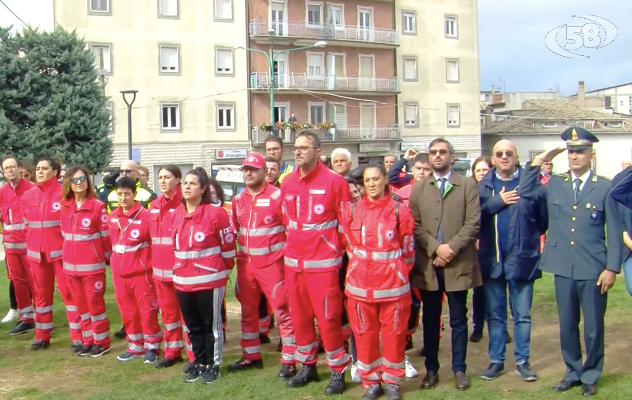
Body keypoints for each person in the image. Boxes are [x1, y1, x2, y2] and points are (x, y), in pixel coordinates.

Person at [518, 127, 622, 396]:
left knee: (593, 326)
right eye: (571, 151)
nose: (574, 156)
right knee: (567, 324)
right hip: (563, 265)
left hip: (593, 267)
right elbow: (526, 191)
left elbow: (614, 229)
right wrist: (540, 158)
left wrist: (612, 268)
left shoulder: (605, 187)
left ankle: (591, 373)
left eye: (580, 151)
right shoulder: (554, 184)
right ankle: (572, 371)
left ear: (591, 154)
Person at [281, 130, 352, 395]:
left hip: (323, 265)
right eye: (295, 147)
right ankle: (307, 365)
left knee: (329, 318)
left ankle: (337, 370)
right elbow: (286, 221)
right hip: (294, 265)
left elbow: (346, 225)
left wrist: (341, 257)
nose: (297, 151)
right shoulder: (287, 182)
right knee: (299, 317)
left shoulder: (335, 182)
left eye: (303, 147)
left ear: (318, 152)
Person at [408, 138, 482, 391]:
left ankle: (459, 369)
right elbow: (414, 225)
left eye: (442, 152)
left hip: (457, 262)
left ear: (452, 156)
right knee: (430, 319)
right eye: (433, 153)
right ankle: (431, 370)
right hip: (429, 266)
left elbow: (473, 222)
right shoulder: (419, 188)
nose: (437, 156)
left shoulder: (467, 185)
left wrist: (449, 248)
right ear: (429, 158)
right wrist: (435, 248)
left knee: (459, 319)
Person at [342, 164, 415, 400]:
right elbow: (349, 246)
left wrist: (396, 271)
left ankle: (392, 381)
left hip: (393, 287)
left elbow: (407, 250)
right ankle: (371, 381)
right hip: (360, 287)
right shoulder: (352, 210)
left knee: (394, 334)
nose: (371, 183)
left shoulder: (399, 211)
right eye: (367, 179)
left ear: (385, 180)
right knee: (364, 335)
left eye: (375, 178)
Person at [477, 140, 547, 381]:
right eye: (499, 153)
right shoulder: (484, 186)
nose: (504, 156)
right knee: (495, 315)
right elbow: (474, 218)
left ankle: (523, 360)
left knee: (522, 315)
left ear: (517, 157)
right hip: (492, 260)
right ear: (493, 159)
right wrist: (499, 202)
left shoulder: (529, 184)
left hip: (522, 259)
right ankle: (496, 360)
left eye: (509, 153)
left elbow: (542, 219)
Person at [227, 153, 296, 378]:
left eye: (253, 169)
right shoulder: (238, 200)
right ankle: (251, 355)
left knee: (283, 311)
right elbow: (235, 230)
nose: (248, 173)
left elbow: (290, 231)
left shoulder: (278, 196)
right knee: (248, 314)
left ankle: (290, 358)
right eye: (245, 169)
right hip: (246, 266)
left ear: (264, 172)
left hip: (273, 266)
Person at [171, 168, 236, 384]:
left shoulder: (216, 214)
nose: (187, 187)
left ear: (203, 188)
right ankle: (199, 362)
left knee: (212, 326)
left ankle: (213, 364)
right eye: (185, 183)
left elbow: (228, 250)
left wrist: (220, 273)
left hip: (209, 281)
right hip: (182, 282)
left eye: (192, 183)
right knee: (193, 326)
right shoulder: (177, 214)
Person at [23, 157, 82, 350]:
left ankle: (77, 335)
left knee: (69, 294)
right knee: (40, 296)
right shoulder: (28, 196)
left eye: (44, 168)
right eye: (38, 168)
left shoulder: (64, 193)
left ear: (55, 172)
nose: (39, 171)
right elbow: (27, 224)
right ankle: (42, 335)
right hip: (36, 255)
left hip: (60, 254)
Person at [108, 177, 163, 363]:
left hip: (141, 274)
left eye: (127, 194)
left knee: (146, 311)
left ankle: (152, 346)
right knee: (127, 311)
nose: (123, 198)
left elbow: (155, 245)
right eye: (120, 194)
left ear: (134, 195)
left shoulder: (146, 216)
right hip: (119, 275)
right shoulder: (112, 217)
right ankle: (135, 344)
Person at [60, 165, 111, 357]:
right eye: (74, 180)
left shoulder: (97, 207)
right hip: (71, 269)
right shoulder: (65, 206)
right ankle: (88, 339)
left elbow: (106, 238)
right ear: (69, 183)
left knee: (95, 306)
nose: (79, 183)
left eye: (82, 179)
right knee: (81, 307)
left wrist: (103, 257)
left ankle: (101, 341)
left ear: (88, 182)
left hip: (92, 267)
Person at [149, 165, 188, 369]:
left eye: (167, 177)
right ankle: (172, 351)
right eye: (160, 177)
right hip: (160, 273)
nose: (163, 181)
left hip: (181, 272)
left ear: (178, 180)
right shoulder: (154, 205)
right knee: (169, 315)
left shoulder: (185, 204)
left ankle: (193, 355)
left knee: (187, 316)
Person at [0, 156, 35, 334]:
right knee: (18, 283)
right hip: (11, 247)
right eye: (6, 168)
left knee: (34, 281)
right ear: (3, 171)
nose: (10, 170)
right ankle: (26, 318)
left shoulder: (32, 189)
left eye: (12, 167)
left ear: (19, 168)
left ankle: (43, 317)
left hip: (30, 245)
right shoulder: (2, 192)